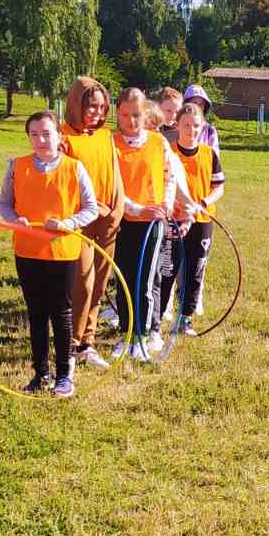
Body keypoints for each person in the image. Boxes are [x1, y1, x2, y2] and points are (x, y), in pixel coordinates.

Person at [0, 110, 101, 396]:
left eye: (47, 134)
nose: (41, 140)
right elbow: (4, 204)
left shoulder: (74, 168)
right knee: (36, 314)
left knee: (62, 313)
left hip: (62, 252)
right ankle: (40, 373)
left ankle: (65, 375)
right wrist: (14, 220)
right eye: (34, 134)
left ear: (59, 136)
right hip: (28, 251)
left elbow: (91, 208)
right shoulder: (17, 166)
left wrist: (69, 223)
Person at [58, 77, 126, 370]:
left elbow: (114, 174)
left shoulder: (106, 136)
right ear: (76, 105)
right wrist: (89, 208)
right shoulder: (62, 138)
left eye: (101, 107)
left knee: (99, 285)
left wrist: (117, 209)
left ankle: (87, 342)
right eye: (90, 106)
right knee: (82, 283)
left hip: (108, 219)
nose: (96, 113)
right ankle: (70, 346)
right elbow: (60, 182)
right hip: (81, 222)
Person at [110, 88, 180, 362]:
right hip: (123, 219)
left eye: (137, 115)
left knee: (145, 279)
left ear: (145, 114)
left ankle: (142, 334)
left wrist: (165, 203)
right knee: (124, 279)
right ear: (118, 114)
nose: (131, 121)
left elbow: (169, 176)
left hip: (152, 223)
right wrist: (135, 208)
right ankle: (125, 335)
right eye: (125, 115)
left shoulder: (157, 142)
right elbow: (113, 186)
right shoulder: (111, 143)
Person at [163, 99, 224, 337]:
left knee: (195, 271)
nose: (191, 131)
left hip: (201, 221)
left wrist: (203, 203)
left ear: (203, 127)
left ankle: (185, 318)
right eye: (186, 125)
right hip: (173, 221)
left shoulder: (209, 155)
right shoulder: (169, 153)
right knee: (168, 270)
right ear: (177, 125)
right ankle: (157, 320)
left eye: (196, 126)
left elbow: (218, 187)